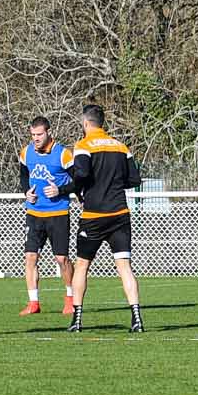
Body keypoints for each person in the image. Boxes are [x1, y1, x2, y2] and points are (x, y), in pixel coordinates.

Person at [49, 103, 144, 333]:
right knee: (124, 267)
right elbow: (134, 179)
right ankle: (137, 318)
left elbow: (82, 174)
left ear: (85, 123)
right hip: (120, 214)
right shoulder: (120, 146)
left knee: (82, 265)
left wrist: (64, 190)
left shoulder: (83, 145)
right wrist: (113, 183)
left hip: (94, 215)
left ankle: (77, 320)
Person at [18, 116, 73, 316]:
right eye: (33, 134)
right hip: (34, 213)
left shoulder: (63, 154)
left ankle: (71, 298)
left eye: (39, 134)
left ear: (49, 132)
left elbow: (79, 180)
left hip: (58, 213)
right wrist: (26, 192)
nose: (36, 138)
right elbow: (24, 174)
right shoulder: (26, 152)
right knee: (30, 257)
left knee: (61, 258)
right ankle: (33, 302)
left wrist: (61, 190)